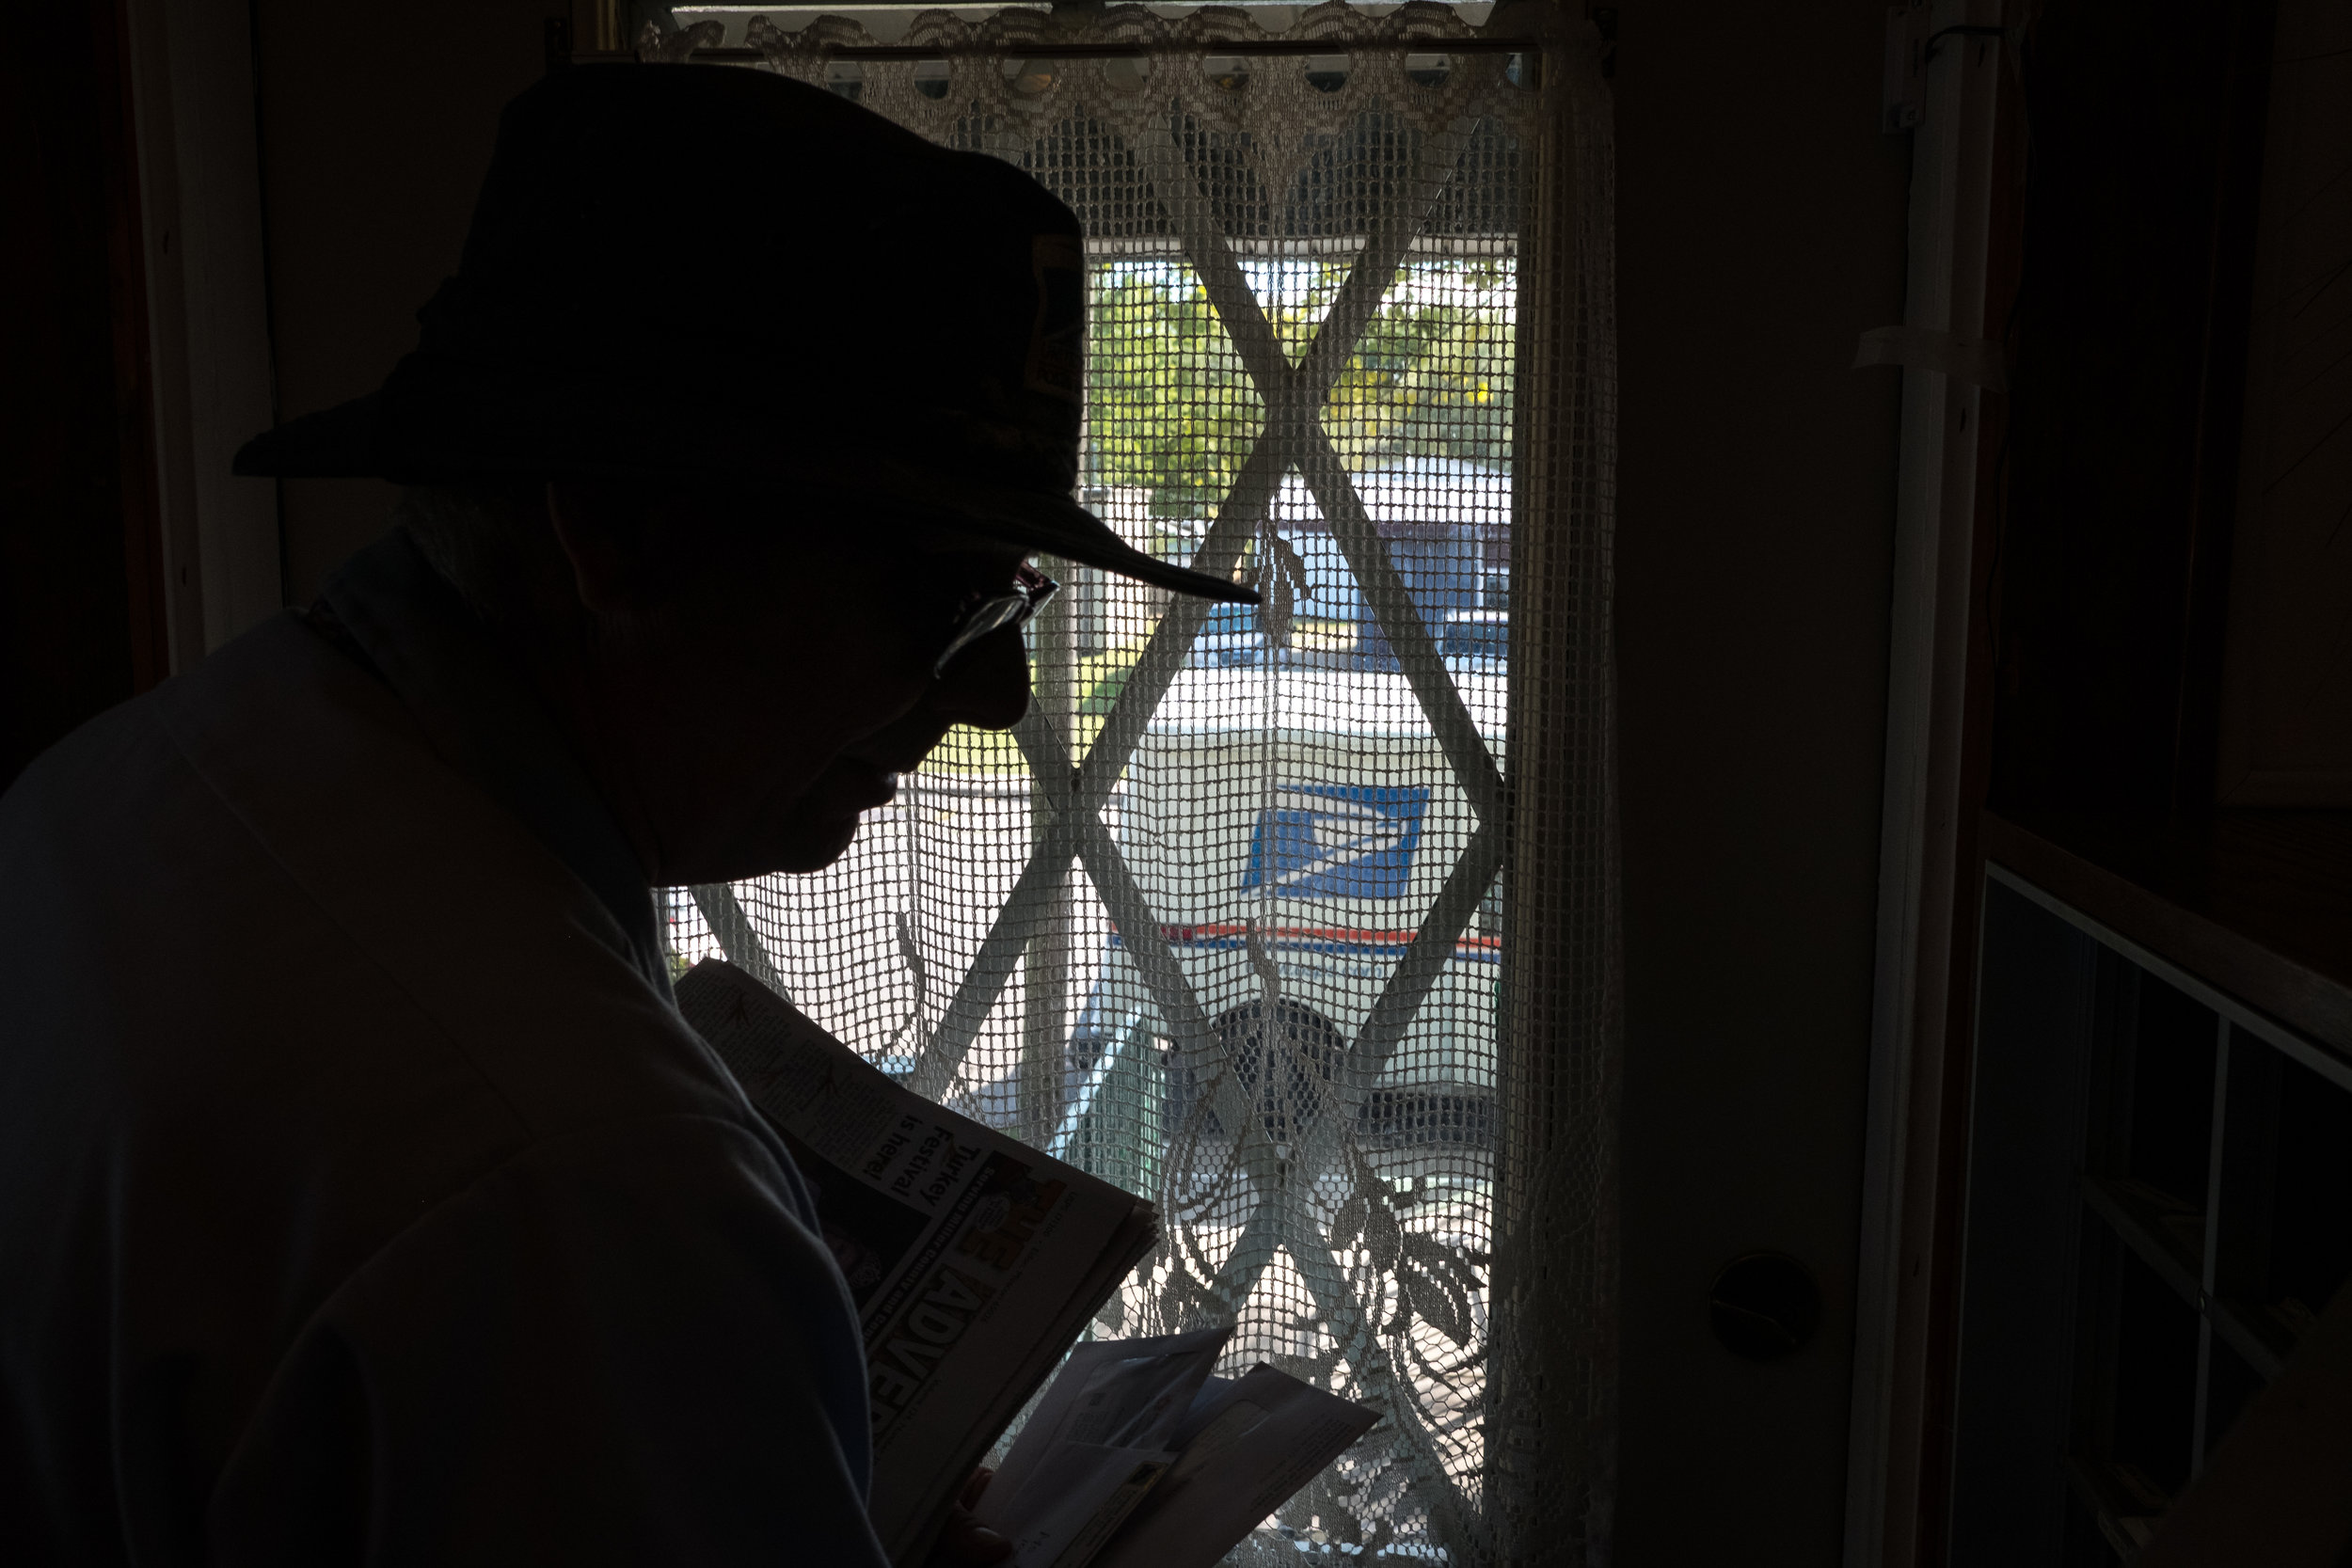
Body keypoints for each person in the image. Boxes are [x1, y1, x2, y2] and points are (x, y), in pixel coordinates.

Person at [0, 62, 1250, 1565]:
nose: (995, 698)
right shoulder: (591, 1200)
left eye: (1012, 604)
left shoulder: (124, 786)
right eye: (942, 595)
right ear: (623, 533)